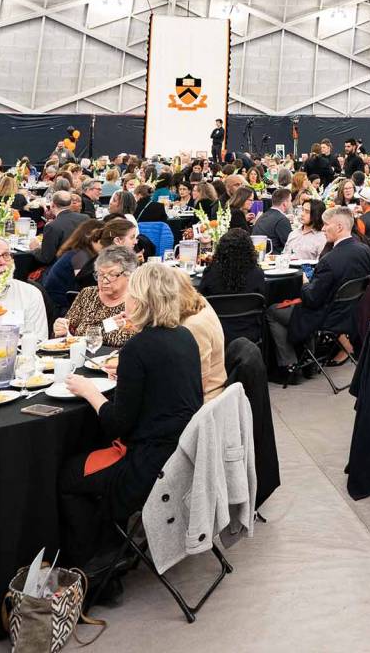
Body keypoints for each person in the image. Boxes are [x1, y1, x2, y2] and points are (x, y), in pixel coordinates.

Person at [59, 259, 203, 581]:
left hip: (149, 466)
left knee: (69, 476)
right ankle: (110, 549)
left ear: (138, 300)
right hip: (185, 456)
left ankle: (98, 562)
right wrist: (125, 374)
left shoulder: (138, 347)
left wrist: (89, 392)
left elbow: (117, 424)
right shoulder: (183, 336)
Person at [269, 207, 370, 374]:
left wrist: (304, 282)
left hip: (326, 316)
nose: (323, 229)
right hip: (348, 311)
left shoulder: (330, 260)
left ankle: (289, 365)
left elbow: (311, 299)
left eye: (326, 225)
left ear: (339, 227)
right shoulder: (364, 250)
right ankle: (308, 360)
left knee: (272, 311)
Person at [56, 247, 140, 346]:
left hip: (119, 359)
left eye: (112, 274)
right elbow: (69, 330)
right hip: (85, 356)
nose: (104, 281)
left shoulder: (138, 301)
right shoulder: (88, 294)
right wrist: (61, 328)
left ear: (129, 275)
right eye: (100, 274)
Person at [168, 267, 227, 401]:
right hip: (210, 388)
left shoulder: (193, 325)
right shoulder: (200, 302)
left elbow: (198, 382)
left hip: (206, 399)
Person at [41, 219, 110, 319]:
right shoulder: (80, 257)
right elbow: (86, 285)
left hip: (59, 302)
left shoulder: (78, 253)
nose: (106, 245)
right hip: (59, 307)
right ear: (92, 238)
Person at [197, 227, 270, 304]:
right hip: (250, 315)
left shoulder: (210, 272)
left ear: (221, 250)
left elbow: (201, 299)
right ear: (249, 250)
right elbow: (264, 301)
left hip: (218, 314)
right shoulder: (257, 273)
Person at [34, 190, 90, 267]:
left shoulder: (52, 226)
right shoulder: (85, 218)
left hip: (60, 269)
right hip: (83, 266)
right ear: (70, 204)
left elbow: (46, 258)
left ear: (52, 205)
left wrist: (35, 249)